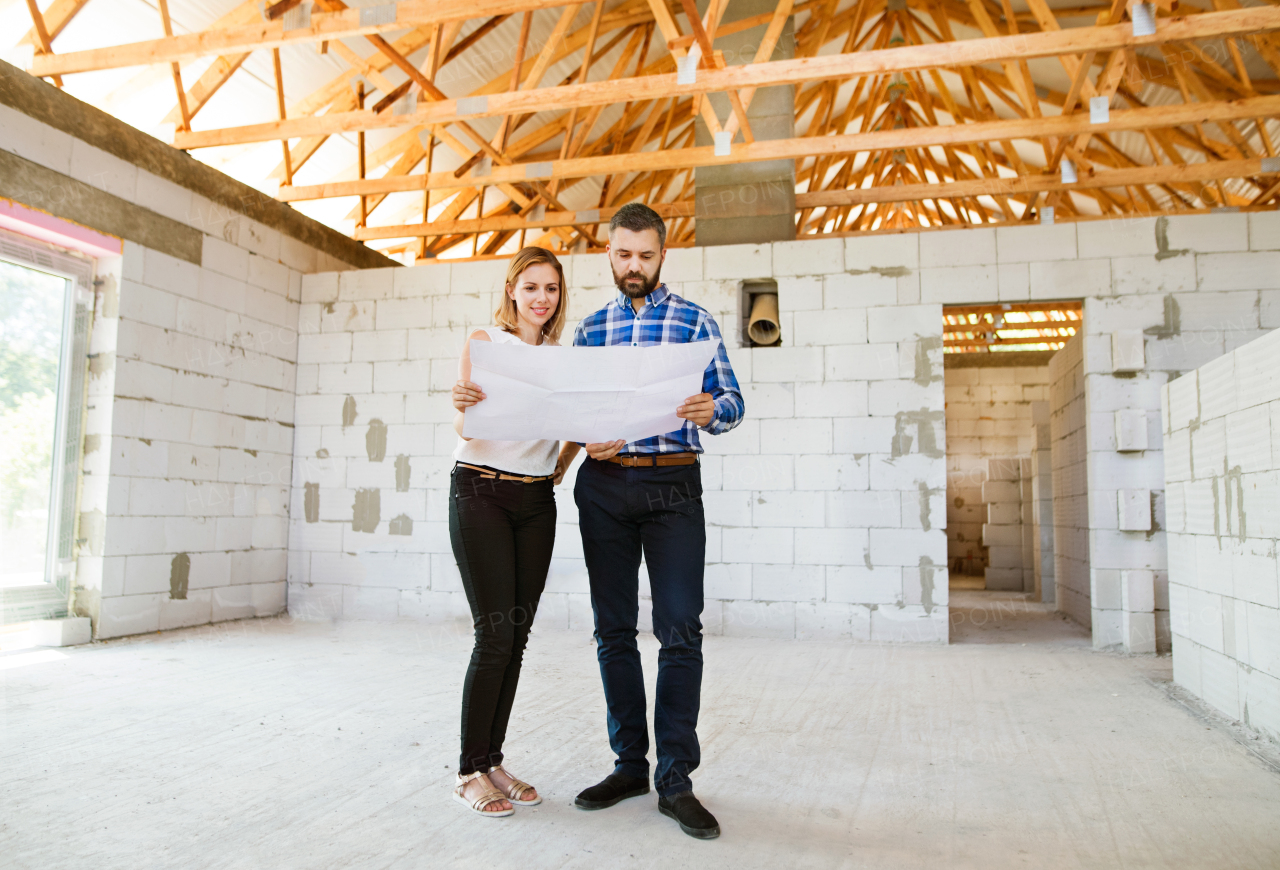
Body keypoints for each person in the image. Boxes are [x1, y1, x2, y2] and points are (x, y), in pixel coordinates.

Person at [556, 203, 745, 839]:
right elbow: (574, 412)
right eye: (622, 255)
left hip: (672, 488)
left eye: (645, 255)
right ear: (608, 254)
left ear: (663, 254)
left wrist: (708, 407)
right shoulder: (588, 329)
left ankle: (675, 779)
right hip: (605, 488)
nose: (633, 266)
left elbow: (733, 401)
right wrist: (589, 440)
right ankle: (629, 765)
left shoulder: (696, 321)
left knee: (679, 630)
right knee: (613, 630)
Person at [448, 246, 573, 817]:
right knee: (494, 635)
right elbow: (464, 420)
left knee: (517, 639)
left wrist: (565, 459)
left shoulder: (564, 360)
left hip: (535, 500)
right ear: (512, 292)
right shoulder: (487, 344)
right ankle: (469, 770)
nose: (541, 298)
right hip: (481, 491)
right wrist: (460, 401)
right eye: (531, 287)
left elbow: (572, 431)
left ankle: (493, 758)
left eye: (550, 288)